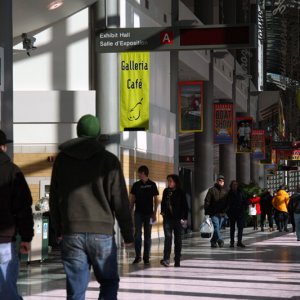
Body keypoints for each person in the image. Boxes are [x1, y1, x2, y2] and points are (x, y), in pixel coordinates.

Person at [49, 114, 134, 300]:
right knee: (109, 282)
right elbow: (120, 201)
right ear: (97, 134)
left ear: (78, 132)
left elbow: (54, 199)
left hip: (71, 232)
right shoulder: (109, 160)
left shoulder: (62, 160)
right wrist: (128, 235)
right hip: (101, 233)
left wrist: (58, 230)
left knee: (76, 289)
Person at [0, 129, 34, 300]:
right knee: (6, 289)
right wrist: (27, 237)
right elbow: (23, 207)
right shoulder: (13, 172)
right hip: (5, 240)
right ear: (3, 147)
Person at [130, 165, 159, 265]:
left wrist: (154, 213)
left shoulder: (152, 184)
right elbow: (132, 199)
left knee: (148, 236)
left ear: (144, 173)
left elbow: (156, 200)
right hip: (138, 213)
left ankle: (146, 257)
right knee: (137, 234)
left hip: (149, 214)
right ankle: (138, 256)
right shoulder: (136, 185)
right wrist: (130, 211)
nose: (139, 175)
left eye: (140, 173)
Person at [160, 174, 188, 267]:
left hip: (177, 219)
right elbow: (163, 203)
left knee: (178, 240)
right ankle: (166, 259)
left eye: (171, 181)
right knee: (168, 238)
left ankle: (177, 259)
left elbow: (185, 206)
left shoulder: (180, 192)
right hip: (167, 219)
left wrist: (184, 218)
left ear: (175, 182)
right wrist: (163, 212)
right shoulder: (166, 191)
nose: (169, 183)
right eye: (168, 181)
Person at [204, 174, 228, 248]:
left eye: (222, 181)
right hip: (213, 213)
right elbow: (207, 201)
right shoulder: (212, 190)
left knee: (217, 228)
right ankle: (220, 240)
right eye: (220, 180)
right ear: (217, 181)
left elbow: (228, 202)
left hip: (222, 213)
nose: (221, 182)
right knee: (216, 226)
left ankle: (213, 241)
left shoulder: (225, 191)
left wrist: (226, 210)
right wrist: (207, 212)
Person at [227, 180, 248, 248]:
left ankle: (239, 242)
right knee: (232, 228)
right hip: (232, 213)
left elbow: (245, 201)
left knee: (240, 228)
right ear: (231, 186)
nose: (235, 186)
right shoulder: (229, 193)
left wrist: (244, 208)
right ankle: (232, 242)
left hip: (240, 213)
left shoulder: (241, 193)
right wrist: (228, 212)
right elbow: (226, 204)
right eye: (233, 185)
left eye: (236, 184)